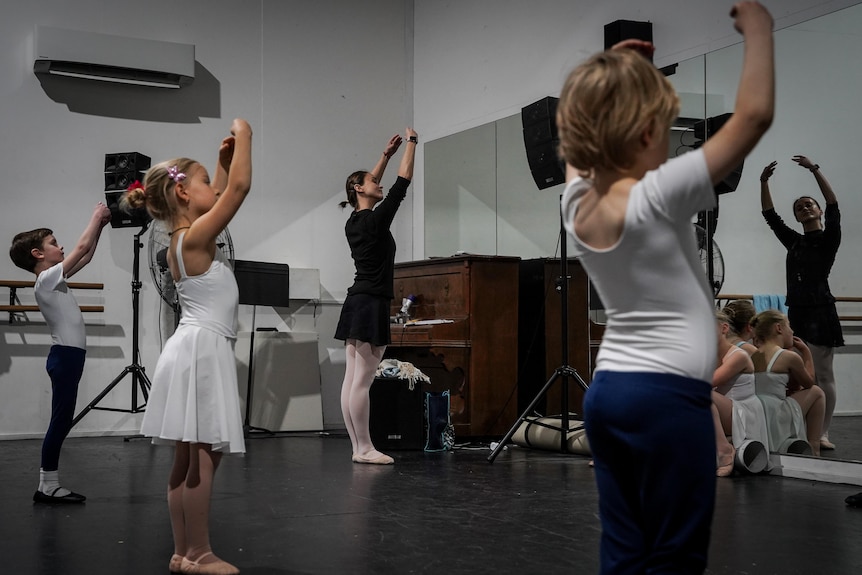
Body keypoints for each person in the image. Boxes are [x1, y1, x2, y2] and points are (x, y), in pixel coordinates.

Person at [555, 2, 774, 571]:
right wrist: (758, 29)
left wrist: (617, 73)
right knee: (675, 554)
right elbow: (751, 117)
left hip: (609, 396)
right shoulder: (661, 192)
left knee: (625, 548)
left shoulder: (576, 201)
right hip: (667, 399)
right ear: (649, 131)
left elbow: (574, 135)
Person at [123, 118, 252, 575]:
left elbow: (217, 193)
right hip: (201, 351)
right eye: (201, 183)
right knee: (202, 461)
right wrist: (246, 137)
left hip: (190, 346)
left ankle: (182, 553)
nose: (211, 191)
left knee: (187, 459)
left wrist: (216, 163)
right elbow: (236, 191)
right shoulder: (196, 239)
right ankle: (199, 553)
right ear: (182, 194)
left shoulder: (183, 238)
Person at [9, 204, 112, 503]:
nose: (61, 246)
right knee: (60, 421)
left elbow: (86, 254)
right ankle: (48, 485)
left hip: (68, 357)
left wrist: (102, 229)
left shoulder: (54, 279)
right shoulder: (46, 280)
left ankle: (48, 484)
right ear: (37, 254)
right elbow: (80, 248)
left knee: (62, 419)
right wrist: (95, 217)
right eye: (53, 243)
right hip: (65, 357)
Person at [335, 128, 417, 465]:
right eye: (372, 182)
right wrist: (412, 144)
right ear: (358, 189)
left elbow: (375, 187)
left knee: (352, 379)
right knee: (362, 382)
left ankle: (358, 448)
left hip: (357, 301)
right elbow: (402, 184)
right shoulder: (375, 221)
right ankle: (365, 448)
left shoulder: (354, 220)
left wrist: (384, 155)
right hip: (371, 303)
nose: (378, 183)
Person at [759, 155, 842, 451]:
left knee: (823, 373)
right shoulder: (794, 241)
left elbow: (833, 205)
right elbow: (770, 216)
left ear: (817, 211)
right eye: (799, 207)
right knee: (800, 373)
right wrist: (764, 181)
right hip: (797, 313)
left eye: (809, 204)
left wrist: (814, 170)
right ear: (796, 217)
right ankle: (803, 426)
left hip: (821, 310)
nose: (804, 208)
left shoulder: (829, 238)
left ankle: (823, 431)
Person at [751, 309, 825, 456]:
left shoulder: (753, 354)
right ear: (779, 328)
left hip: (756, 411)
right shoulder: (789, 357)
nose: (792, 331)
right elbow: (809, 383)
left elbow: (792, 387)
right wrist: (806, 353)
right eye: (789, 326)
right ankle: (814, 445)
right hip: (776, 414)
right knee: (817, 392)